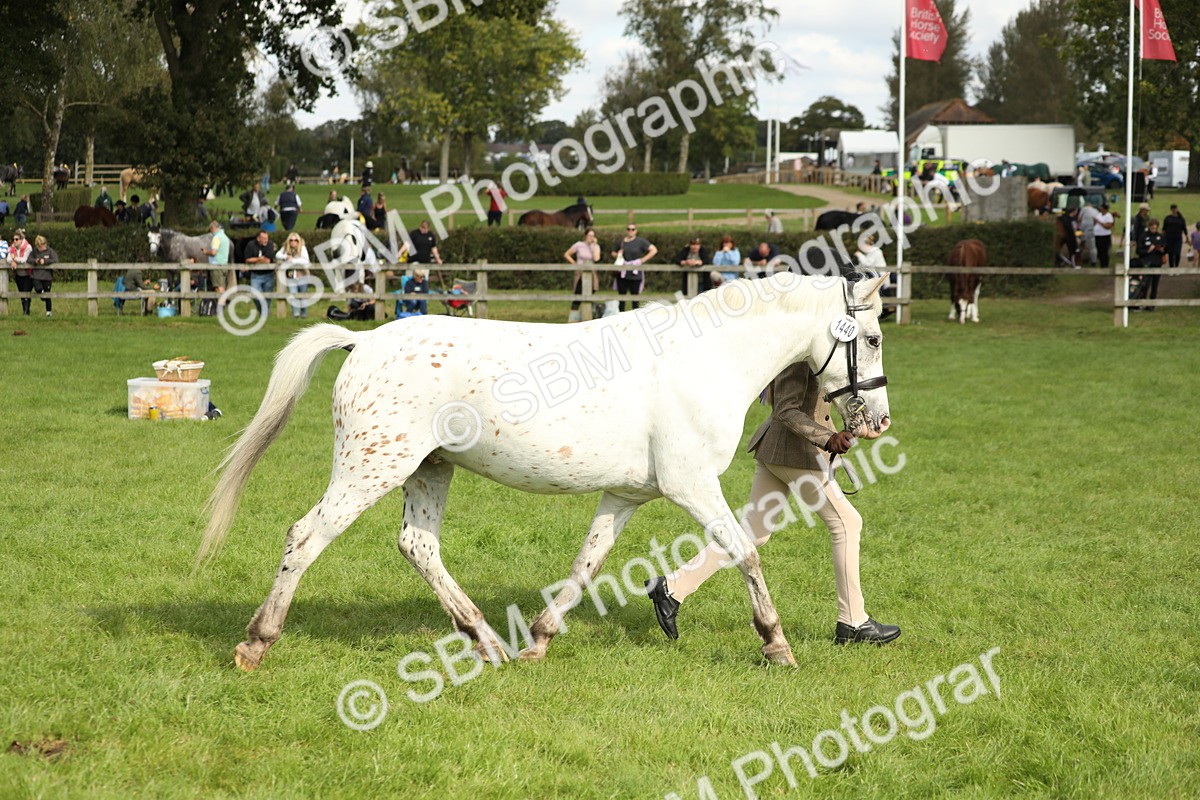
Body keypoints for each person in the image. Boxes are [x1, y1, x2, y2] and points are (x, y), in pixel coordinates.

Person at [644, 361, 901, 646]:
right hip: (796, 453)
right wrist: (828, 438)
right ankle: (853, 622)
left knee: (754, 532)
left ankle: (672, 587)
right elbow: (786, 409)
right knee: (847, 524)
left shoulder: (814, 347)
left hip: (778, 448)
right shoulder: (801, 355)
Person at [610, 223, 656, 311]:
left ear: (636, 231)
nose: (630, 231)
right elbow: (613, 252)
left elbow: (653, 250)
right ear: (626, 230)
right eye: (628, 229)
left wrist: (642, 260)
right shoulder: (621, 242)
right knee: (621, 298)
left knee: (635, 299)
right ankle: (620, 317)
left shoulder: (641, 241)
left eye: (633, 229)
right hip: (623, 273)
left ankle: (635, 317)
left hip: (635, 273)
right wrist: (618, 255)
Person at [564, 227, 601, 321]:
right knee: (577, 297)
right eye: (589, 235)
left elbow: (596, 259)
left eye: (593, 236)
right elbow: (567, 254)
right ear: (585, 236)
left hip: (591, 274)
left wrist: (593, 245)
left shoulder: (596, 247)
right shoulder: (579, 245)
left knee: (588, 297)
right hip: (580, 273)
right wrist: (575, 264)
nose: (591, 237)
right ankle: (572, 320)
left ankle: (587, 318)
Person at [242, 229, 278, 315]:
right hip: (256, 275)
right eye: (264, 238)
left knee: (267, 296)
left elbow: (268, 260)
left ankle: (265, 313)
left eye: (267, 238)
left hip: (268, 275)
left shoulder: (270, 244)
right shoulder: (251, 245)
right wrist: (259, 259)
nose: (266, 240)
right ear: (258, 238)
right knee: (255, 295)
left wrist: (254, 260)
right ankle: (263, 311)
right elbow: (247, 259)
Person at [276, 232, 311, 318]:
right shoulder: (285, 248)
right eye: (291, 240)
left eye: (296, 240)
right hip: (291, 276)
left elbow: (306, 261)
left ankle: (303, 314)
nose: (293, 242)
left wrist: (293, 260)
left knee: (303, 295)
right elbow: (277, 255)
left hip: (302, 275)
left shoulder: (302, 248)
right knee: (293, 294)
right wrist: (286, 257)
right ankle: (295, 314)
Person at [1133, 218, 1165, 310]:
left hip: (1157, 263)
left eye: (1155, 228)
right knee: (1145, 284)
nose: (1154, 230)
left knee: (1155, 285)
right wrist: (1148, 251)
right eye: (1152, 228)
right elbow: (1139, 251)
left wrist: (1162, 250)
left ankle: (1152, 305)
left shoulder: (1160, 237)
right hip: (1146, 263)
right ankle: (1142, 302)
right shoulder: (1143, 237)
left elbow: (1165, 248)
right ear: (1149, 227)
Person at [29, 234, 58, 316]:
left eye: (43, 246)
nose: (42, 248)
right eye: (40, 247)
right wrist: (36, 261)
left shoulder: (50, 251)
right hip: (36, 275)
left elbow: (55, 260)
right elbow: (29, 259)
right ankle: (42, 294)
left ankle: (48, 312)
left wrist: (45, 261)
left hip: (47, 276)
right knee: (38, 288)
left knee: (47, 293)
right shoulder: (34, 251)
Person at [201, 220, 232, 294]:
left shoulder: (216, 238)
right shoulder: (225, 237)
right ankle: (222, 304)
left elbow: (214, 252)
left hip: (216, 264)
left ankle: (220, 304)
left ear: (212, 228)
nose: (210, 232)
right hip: (224, 264)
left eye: (210, 229)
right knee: (222, 286)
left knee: (218, 287)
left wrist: (206, 252)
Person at [8, 229, 33, 315]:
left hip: (28, 274)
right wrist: (12, 261)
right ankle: (25, 310)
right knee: (21, 292)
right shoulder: (12, 247)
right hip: (18, 274)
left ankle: (26, 311)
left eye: (16, 239)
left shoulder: (28, 247)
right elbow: (8, 258)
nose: (14, 241)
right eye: (13, 239)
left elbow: (24, 260)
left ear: (21, 239)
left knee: (26, 292)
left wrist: (14, 259)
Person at [1161, 204, 1187, 268]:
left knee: (1177, 253)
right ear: (1171, 210)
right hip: (1169, 238)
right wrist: (1162, 238)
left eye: (1175, 209)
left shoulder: (1181, 219)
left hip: (1178, 238)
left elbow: (1184, 229)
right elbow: (1164, 228)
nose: (1174, 210)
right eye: (1173, 209)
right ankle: (1171, 267)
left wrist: (1187, 237)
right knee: (1171, 253)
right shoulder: (1167, 218)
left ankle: (1177, 266)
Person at [1078, 200, 1100, 266]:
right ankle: (1093, 260)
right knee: (1092, 246)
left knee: (1083, 244)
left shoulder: (1084, 209)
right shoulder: (1096, 211)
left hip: (1084, 229)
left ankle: (1080, 258)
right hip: (1093, 229)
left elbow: (1079, 218)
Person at [1093, 203, 1115, 269]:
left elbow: (1108, 226)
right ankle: (1101, 264)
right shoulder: (1099, 214)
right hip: (1097, 235)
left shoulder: (1109, 216)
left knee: (1104, 251)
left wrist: (1099, 222)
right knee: (1099, 250)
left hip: (1105, 235)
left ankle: (1105, 265)